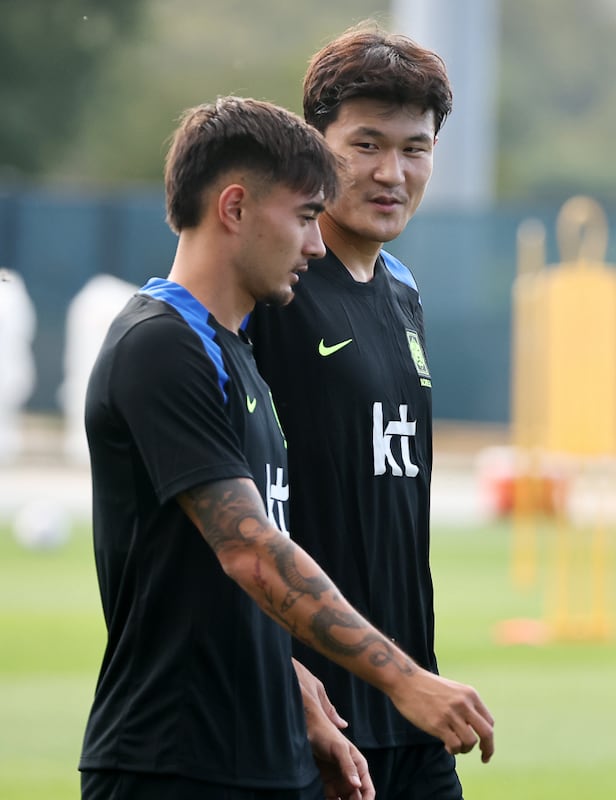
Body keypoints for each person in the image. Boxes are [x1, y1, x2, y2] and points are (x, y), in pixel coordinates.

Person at [79, 95, 492, 800]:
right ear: (235, 208)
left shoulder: (234, 353)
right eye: (304, 217)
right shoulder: (161, 347)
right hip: (173, 760)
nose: (314, 245)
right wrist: (404, 680)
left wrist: (293, 684)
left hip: (264, 754)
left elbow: (223, 579)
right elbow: (249, 552)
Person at [249, 23, 495, 799]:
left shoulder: (404, 291)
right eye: (366, 145)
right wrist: (281, 672)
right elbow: (214, 516)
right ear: (313, 146)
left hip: (413, 713)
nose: (392, 172)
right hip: (307, 720)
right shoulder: (268, 291)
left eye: (415, 148)